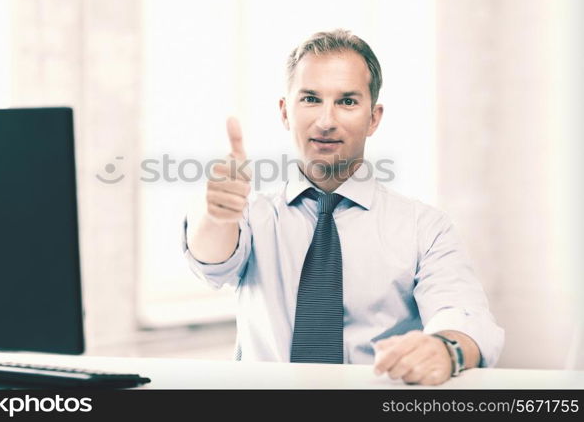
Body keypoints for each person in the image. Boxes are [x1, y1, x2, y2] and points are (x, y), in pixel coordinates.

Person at [182, 29, 504, 386]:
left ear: (374, 118)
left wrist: (445, 349)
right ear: (285, 111)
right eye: (310, 99)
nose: (326, 121)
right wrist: (215, 215)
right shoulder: (253, 215)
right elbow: (210, 261)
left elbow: (464, 314)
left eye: (347, 101)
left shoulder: (424, 226)